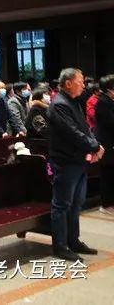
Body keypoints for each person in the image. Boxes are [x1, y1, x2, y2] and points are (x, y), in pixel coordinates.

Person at [46, 68, 103, 261]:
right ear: (68, 83)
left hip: (78, 160)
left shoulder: (73, 102)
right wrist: (94, 146)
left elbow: (85, 128)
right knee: (62, 204)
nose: (84, 85)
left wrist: (94, 146)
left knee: (76, 203)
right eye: (81, 81)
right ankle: (60, 246)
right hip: (66, 161)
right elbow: (72, 133)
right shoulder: (59, 104)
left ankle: (73, 240)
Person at [95, 74, 114, 214]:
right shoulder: (103, 102)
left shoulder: (109, 101)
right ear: (109, 88)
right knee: (107, 174)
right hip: (106, 144)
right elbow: (110, 122)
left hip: (110, 143)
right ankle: (106, 204)